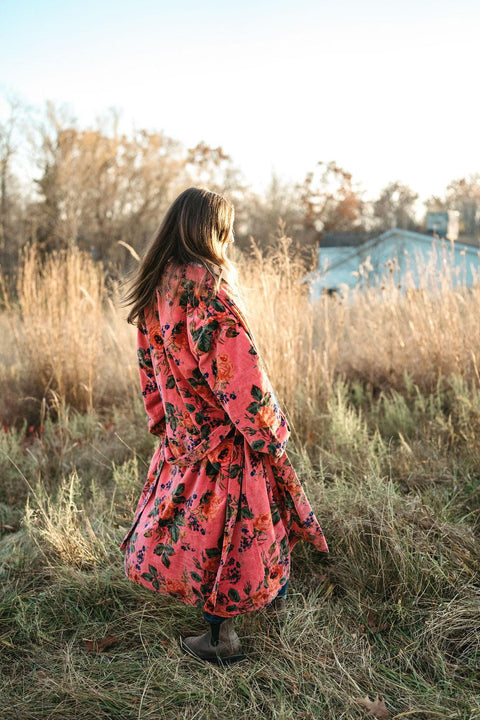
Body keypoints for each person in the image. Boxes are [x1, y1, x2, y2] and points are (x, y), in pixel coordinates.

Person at [119, 187, 329, 664]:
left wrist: (165, 423)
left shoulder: (157, 287)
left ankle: (274, 595)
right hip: (227, 440)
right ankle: (221, 638)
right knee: (233, 534)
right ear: (209, 230)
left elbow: (148, 369)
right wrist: (268, 432)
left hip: (185, 436)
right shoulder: (208, 289)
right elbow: (240, 375)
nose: (231, 237)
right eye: (226, 228)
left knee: (237, 525)